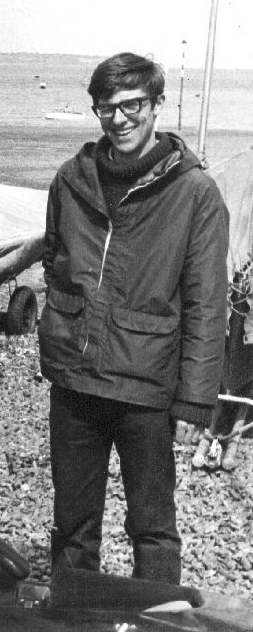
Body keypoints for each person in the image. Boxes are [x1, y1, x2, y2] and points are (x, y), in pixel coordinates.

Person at [37, 51, 229, 584]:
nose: (119, 119)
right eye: (106, 108)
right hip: (75, 380)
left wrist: (194, 401)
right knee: (73, 524)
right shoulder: (71, 180)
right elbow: (56, 262)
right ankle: (76, 628)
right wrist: (57, 330)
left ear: (157, 105)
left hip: (146, 389)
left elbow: (207, 306)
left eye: (132, 105)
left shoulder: (195, 194)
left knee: (152, 525)